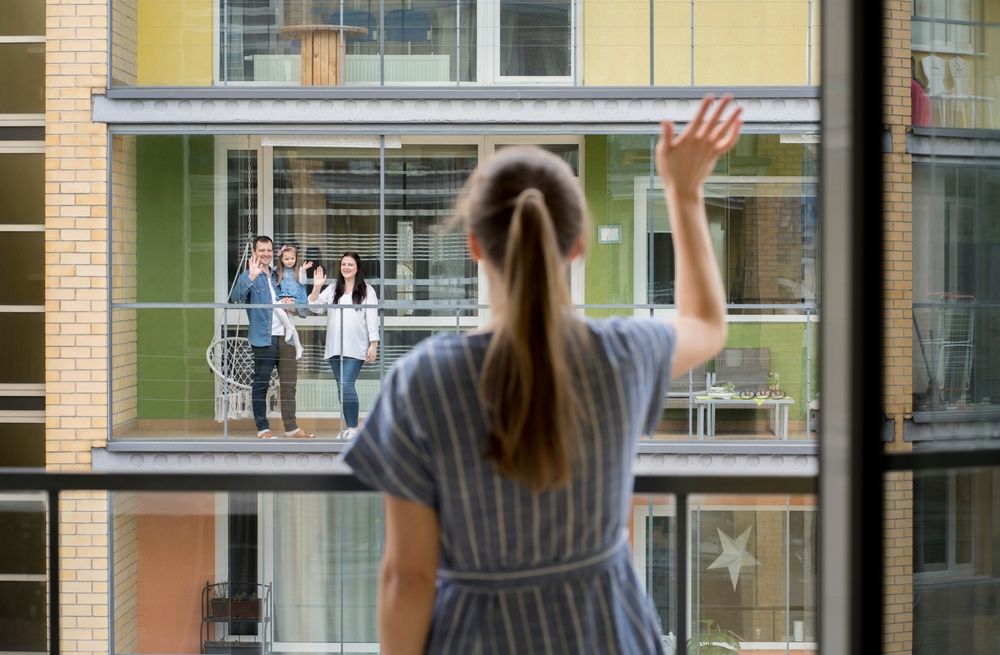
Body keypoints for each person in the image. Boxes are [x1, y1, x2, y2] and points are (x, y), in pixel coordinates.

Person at [341, 94, 740, 654]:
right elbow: (705, 322)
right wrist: (684, 191)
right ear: (577, 246)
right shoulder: (621, 354)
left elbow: (407, 580)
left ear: (475, 245)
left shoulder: (422, 380)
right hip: (605, 634)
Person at [230, 235, 315, 439]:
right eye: (262, 250)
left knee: (289, 385)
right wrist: (250, 276)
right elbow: (235, 299)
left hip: (286, 338)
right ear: (255, 252)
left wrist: (292, 306)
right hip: (263, 338)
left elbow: (302, 309)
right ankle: (263, 429)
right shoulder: (250, 274)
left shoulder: (280, 275)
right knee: (261, 384)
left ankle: (291, 428)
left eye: (269, 250)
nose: (266, 254)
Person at [308, 252, 380, 439]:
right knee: (342, 387)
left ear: (357, 268)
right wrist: (316, 288)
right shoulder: (333, 288)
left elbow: (372, 320)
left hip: (356, 347)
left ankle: (354, 428)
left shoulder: (367, 290)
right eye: (343, 264)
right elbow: (315, 308)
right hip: (335, 347)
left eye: (350, 264)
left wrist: (374, 344)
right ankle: (350, 428)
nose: (346, 267)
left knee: (347, 384)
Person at [274, 244, 313, 359]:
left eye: (292, 258)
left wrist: (304, 270)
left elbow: (302, 281)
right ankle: (298, 346)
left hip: (297, 299)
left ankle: (289, 329)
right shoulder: (279, 271)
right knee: (291, 322)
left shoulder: (299, 270)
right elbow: (269, 268)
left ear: (296, 259)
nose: (290, 261)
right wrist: (278, 255)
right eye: (286, 259)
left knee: (275, 306)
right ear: (281, 259)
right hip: (286, 298)